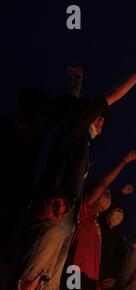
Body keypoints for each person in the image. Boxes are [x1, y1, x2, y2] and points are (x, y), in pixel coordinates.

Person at [16, 61, 136, 290]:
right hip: (56, 212)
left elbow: (69, 100)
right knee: (31, 281)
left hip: (65, 217)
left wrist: (78, 81)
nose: (101, 120)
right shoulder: (74, 128)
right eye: (99, 117)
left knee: (45, 285)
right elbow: (112, 95)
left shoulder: (75, 136)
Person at [0, 65, 84, 262]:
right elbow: (69, 101)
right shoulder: (38, 123)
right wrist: (79, 79)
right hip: (17, 194)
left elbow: (68, 102)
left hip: (17, 194)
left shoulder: (8, 124)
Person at [61, 150, 136, 290]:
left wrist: (96, 281)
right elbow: (104, 183)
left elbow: (96, 256)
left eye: (109, 195)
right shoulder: (84, 212)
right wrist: (125, 161)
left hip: (89, 279)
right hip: (75, 271)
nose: (108, 197)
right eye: (105, 194)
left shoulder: (96, 223)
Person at [97, 202, 129, 290]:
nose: (119, 214)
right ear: (109, 212)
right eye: (117, 211)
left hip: (107, 286)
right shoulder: (97, 228)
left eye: (122, 213)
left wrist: (114, 279)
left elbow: (119, 261)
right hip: (89, 278)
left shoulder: (120, 240)